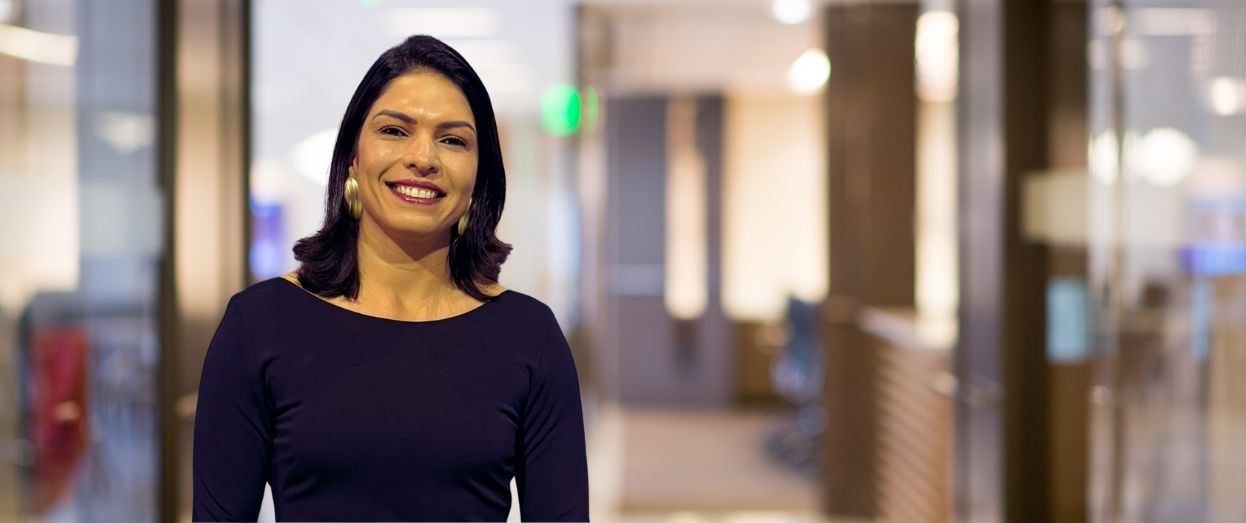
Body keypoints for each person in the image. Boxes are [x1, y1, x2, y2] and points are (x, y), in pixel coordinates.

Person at [192, 35, 589, 522]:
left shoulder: (531, 336)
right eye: (396, 131)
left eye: (453, 139)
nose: (424, 157)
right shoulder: (258, 325)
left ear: (478, 178)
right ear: (353, 158)